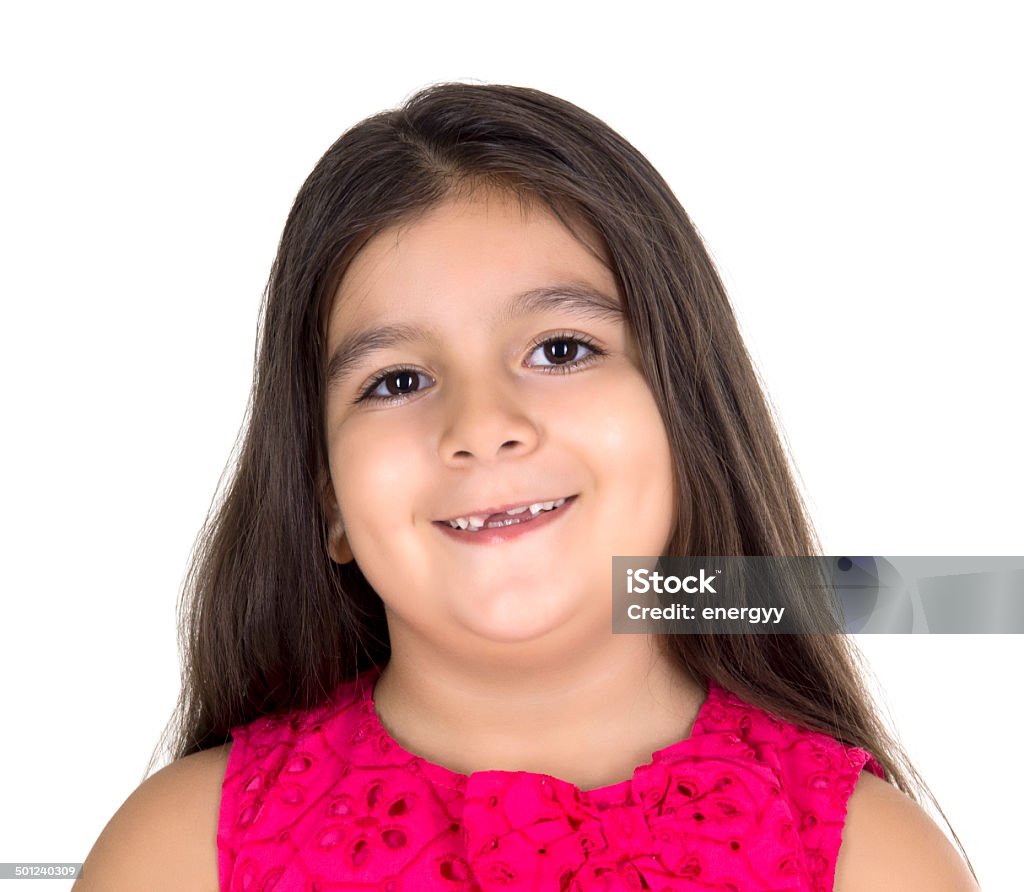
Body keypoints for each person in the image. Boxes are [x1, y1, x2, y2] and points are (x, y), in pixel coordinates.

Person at [74, 82, 979, 891]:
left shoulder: (876, 864)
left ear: (685, 416)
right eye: (395, 380)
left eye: (561, 350)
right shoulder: (178, 857)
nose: (481, 426)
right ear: (327, 498)